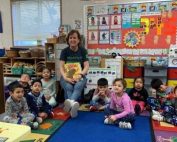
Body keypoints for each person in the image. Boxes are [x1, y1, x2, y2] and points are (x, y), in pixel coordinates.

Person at [59, 29, 89, 118]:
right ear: (68, 40)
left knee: (78, 86)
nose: (73, 40)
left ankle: (70, 104)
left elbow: (86, 66)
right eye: (71, 38)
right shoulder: (64, 51)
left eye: (75, 38)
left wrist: (80, 75)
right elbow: (61, 67)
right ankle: (73, 107)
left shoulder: (83, 50)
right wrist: (65, 77)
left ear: (79, 40)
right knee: (68, 86)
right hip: (66, 76)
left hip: (80, 76)